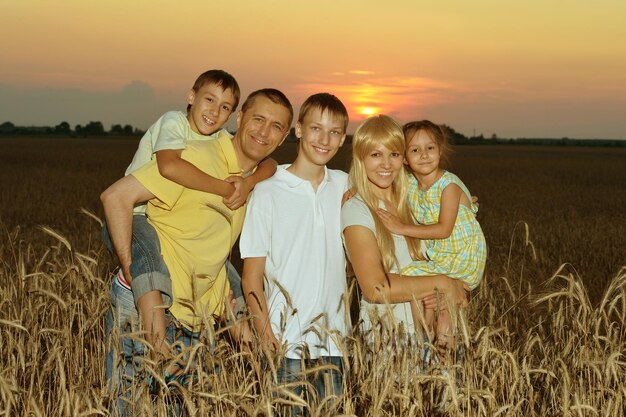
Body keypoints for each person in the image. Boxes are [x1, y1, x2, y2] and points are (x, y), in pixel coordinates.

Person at [101, 88, 293, 415]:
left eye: (276, 126)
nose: (264, 131)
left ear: (285, 136)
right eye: (258, 119)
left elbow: (211, 249)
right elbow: (116, 197)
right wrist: (134, 272)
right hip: (148, 305)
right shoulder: (195, 158)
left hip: (195, 317)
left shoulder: (259, 183)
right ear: (239, 118)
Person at [239, 93, 350, 416]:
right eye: (316, 128)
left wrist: (458, 198)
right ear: (299, 129)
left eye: (333, 132)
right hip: (285, 342)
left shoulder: (345, 186)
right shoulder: (268, 191)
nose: (324, 139)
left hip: (334, 342)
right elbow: (251, 277)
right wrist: (265, 335)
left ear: (343, 139)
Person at [340, 115, 468, 347]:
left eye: (394, 154)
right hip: (392, 342)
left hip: (438, 336)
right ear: (361, 158)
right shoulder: (356, 209)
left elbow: (454, 240)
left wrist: (459, 284)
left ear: (405, 158)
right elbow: (376, 288)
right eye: (376, 154)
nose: (386, 164)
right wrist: (445, 284)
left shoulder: (415, 200)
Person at [375, 120, 486, 350]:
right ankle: (423, 342)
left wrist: (401, 227)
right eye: (415, 150)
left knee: (444, 310)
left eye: (430, 148)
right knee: (415, 283)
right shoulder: (411, 183)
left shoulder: (449, 186)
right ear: (404, 158)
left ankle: (446, 354)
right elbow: (378, 180)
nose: (424, 155)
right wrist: (356, 188)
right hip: (440, 256)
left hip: (462, 255)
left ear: (440, 150)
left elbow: (444, 229)